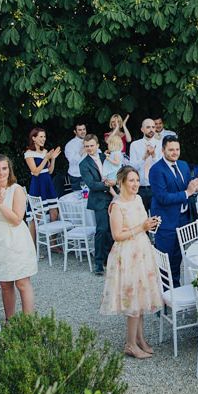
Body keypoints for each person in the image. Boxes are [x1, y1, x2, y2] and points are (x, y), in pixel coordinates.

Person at [100, 166, 164, 359]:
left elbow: (142, 223)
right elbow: (117, 235)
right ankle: (130, 344)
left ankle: (140, 339)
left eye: (137, 180)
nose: (136, 184)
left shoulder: (138, 199)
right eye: (131, 181)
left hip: (142, 250)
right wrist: (141, 227)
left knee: (142, 298)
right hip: (127, 255)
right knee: (133, 300)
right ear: (121, 182)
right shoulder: (117, 206)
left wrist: (150, 224)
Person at [0, 154, 37, 318]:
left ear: (9, 170)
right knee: (4, 283)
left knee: (22, 282)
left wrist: (1, 204)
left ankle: (28, 323)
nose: (1, 172)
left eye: (4, 168)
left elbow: (17, 219)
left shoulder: (16, 189)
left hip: (15, 238)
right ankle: (9, 321)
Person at [149, 136, 198, 287]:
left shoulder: (183, 165)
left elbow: (187, 189)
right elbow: (162, 197)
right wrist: (187, 192)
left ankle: (176, 289)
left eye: (177, 149)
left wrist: (196, 188)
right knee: (166, 260)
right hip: (166, 221)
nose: (175, 152)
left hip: (183, 218)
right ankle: (166, 295)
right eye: (171, 149)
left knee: (178, 257)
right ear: (163, 150)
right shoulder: (156, 170)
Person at [79, 134, 113, 276]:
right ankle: (98, 263)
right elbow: (92, 184)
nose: (89, 148)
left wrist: (115, 182)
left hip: (112, 197)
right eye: (87, 146)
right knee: (102, 230)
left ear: (97, 145)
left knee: (113, 230)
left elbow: (116, 172)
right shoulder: (83, 164)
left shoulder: (107, 157)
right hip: (98, 200)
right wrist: (107, 184)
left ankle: (110, 259)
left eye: (92, 145)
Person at [24, 127, 61, 224]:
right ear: (34, 138)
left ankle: (53, 239)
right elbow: (35, 172)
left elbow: (50, 171)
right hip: (38, 185)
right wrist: (46, 158)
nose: (43, 139)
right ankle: (32, 239)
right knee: (36, 216)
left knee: (54, 213)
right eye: (41, 136)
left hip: (48, 183)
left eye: (44, 136)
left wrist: (53, 159)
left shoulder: (45, 151)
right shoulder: (29, 153)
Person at [128, 118, 161, 211]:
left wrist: (154, 156)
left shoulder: (160, 144)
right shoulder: (135, 145)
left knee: (157, 218)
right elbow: (132, 168)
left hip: (156, 187)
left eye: (153, 127)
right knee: (141, 219)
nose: (151, 129)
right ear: (142, 129)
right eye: (148, 127)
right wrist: (144, 158)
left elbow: (162, 168)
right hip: (140, 187)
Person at [64, 122, 88, 192]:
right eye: (80, 130)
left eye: (84, 129)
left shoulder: (89, 141)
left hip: (89, 174)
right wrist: (82, 151)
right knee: (79, 198)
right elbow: (72, 161)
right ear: (75, 131)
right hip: (77, 176)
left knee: (90, 197)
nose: (83, 131)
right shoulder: (70, 145)